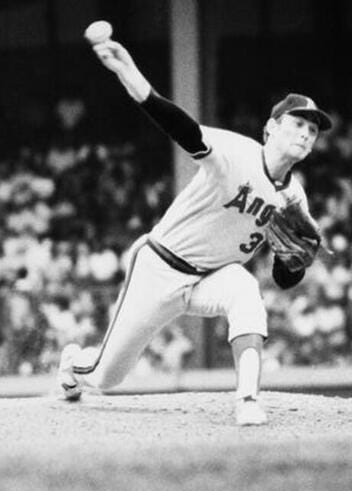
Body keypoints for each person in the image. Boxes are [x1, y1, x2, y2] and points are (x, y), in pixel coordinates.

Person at [57, 37, 332, 425]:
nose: (305, 133)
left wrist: (293, 264)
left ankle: (248, 400)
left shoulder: (294, 198)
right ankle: (73, 363)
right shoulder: (236, 154)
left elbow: (284, 277)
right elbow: (178, 125)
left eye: (313, 130)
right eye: (298, 123)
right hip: (161, 268)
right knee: (106, 377)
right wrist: (128, 72)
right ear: (271, 128)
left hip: (212, 278)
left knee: (246, 291)